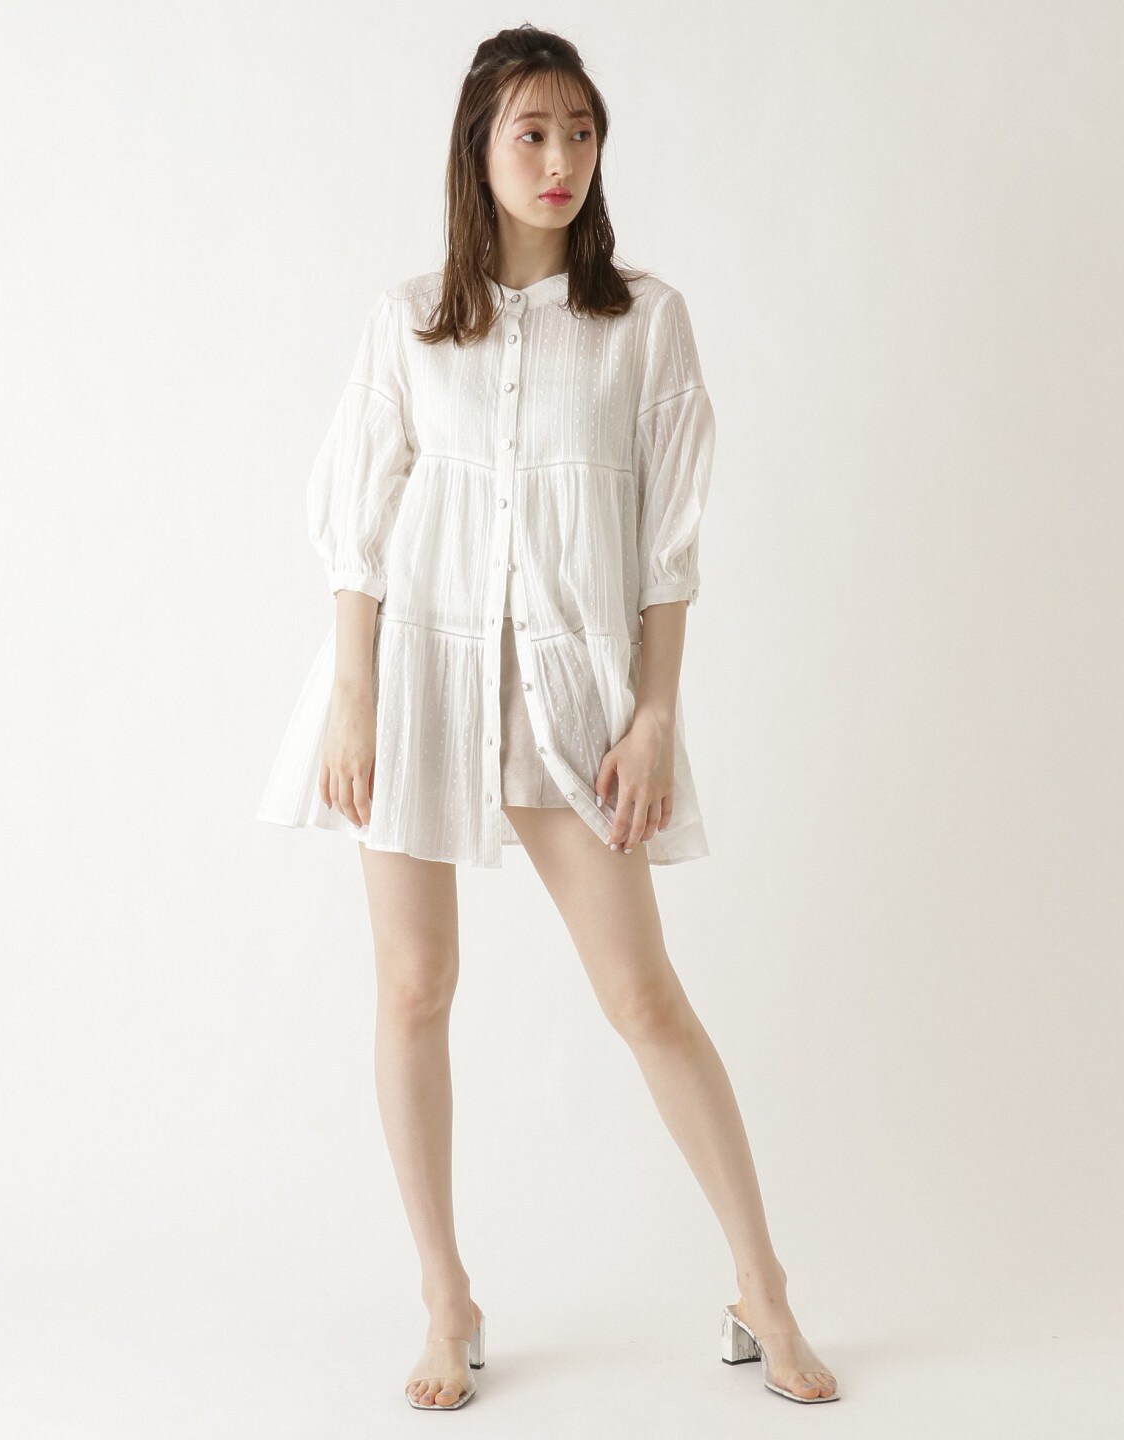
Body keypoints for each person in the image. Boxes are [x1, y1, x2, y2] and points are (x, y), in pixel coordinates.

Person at [257, 23, 840, 1411]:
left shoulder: (645, 321)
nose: (560, 157)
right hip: (414, 685)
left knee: (644, 997)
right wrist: (354, 701)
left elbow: (667, 550)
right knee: (414, 988)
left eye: (581, 131)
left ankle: (762, 1289)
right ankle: (445, 1300)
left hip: (575, 700)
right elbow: (359, 532)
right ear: (479, 149)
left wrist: (653, 716)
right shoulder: (410, 319)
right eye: (532, 132)